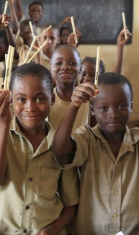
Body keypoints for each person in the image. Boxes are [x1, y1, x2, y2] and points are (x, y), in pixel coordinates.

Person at [0, 63, 79, 234]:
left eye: (40, 99)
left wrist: (54, 229)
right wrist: (3, 122)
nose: (30, 107)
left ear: (53, 99)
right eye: (21, 99)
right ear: (11, 99)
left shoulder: (61, 144)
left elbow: (71, 204)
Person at [52, 72, 139, 234]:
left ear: (131, 107)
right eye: (103, 108)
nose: (113, 113)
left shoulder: (137, 140)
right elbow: (60, 150)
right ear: (92, 110)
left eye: (122, 106)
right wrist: (74, 106)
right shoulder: (88, 138)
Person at [48, 45, 90, 131]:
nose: (65, 67)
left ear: (80, 69)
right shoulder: (46, 99)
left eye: (72, 63)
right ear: (50, 70)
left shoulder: (87, 99)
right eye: (58, 63)